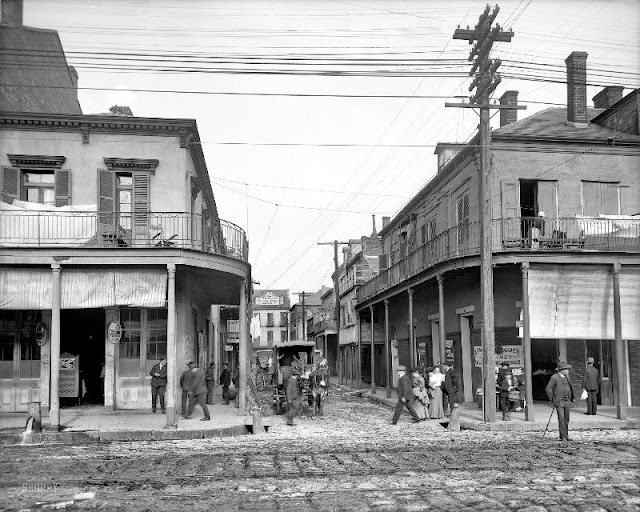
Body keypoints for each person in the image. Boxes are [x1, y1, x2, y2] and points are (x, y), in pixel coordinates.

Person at [545, 361, 575, 442]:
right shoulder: (554, 377)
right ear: (562, 370)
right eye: (566, 369)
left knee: (566, 419)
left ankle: (566, 435)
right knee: (561, 419)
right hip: (559, 401)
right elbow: (548, 388)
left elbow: (570, 387)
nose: (568, 370)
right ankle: (563, 437)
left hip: (567, 400)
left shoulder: (567, 377)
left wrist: (572, 397)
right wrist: (552, 399)